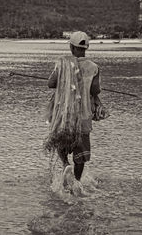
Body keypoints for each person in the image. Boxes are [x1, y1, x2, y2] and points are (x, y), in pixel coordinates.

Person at [46, 31, 101, 182]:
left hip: (64, 114)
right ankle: (76, 182)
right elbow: (95, 91)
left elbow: (51, 83)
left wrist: (62, 78)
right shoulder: (94, 67)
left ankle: (65, 164)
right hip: (83, 116)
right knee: (80, 154)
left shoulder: (62, 64)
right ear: (86, 48)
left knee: (59, 140)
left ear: (71, 47)